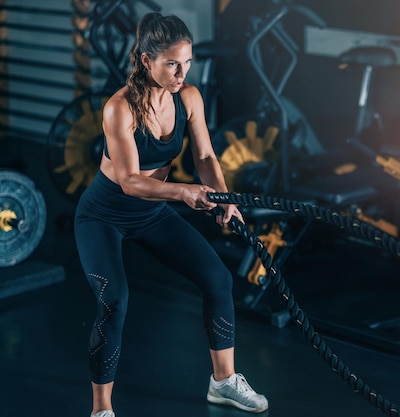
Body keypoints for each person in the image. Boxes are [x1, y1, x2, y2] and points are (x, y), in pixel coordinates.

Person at [74, 12, 268, 417]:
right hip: (104, 215)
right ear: (146, 61)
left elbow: (205, 156)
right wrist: (183, 192)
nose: (182, 73)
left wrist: (223, 196)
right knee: (115, 301)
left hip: (152, 213)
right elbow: (129, 181)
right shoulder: (119, 109)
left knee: (217, 279)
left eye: (187, 63)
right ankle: (101, 410)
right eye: (172, 64)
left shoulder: (188, 98)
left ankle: (223, 382)